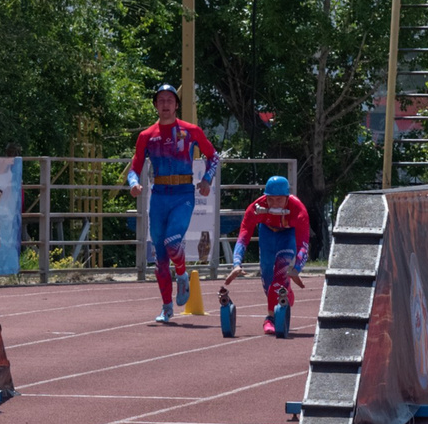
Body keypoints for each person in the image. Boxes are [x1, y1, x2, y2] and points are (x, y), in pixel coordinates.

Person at [125, 83, 218, 325]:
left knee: (172, 240)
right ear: (155, 105)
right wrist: (133, 184)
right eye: (161, 100)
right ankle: (167, 308)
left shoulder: (191, 130)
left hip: (183, 194)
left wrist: (207, 180)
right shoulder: (147, 136)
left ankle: (182, 274)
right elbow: (134, 168)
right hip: (159, 196)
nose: (165, 104)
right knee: (159, 256)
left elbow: (214, 156)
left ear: (177, 105)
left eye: (170, 100)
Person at [225, 175, 313, 333]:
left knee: (280, 272)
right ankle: (285, 295)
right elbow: (243, 237)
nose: (274, 204)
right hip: (267, 234)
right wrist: (236, 264)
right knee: (267, 275)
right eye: (270, 199)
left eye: (279, 200)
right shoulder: (256, 207)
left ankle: (270, 317)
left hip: (288, 236)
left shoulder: (299, 211)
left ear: (287, 197)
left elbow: (303, 245)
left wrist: (297, 268)